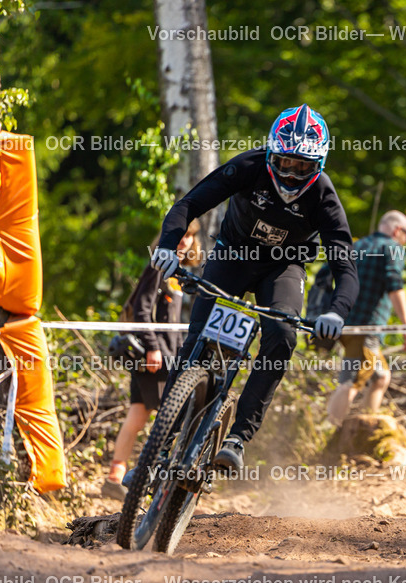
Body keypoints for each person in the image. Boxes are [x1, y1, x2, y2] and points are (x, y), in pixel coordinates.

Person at [150, 104, 358, 473]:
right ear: (269, 153)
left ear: (319, 165)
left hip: (282, 268)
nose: (292, 174)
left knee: (281, 335)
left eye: (304, 166)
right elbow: (190, 204)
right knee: (196, 341)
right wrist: (168, 245)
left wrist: (336, 312)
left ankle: (237, 437)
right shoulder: (248, 167)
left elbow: (345, 263)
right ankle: (155, 450)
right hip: (232, 256)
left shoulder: (324, 197)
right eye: (285, 162)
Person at [102, 221, 201, 500]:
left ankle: (115, 477)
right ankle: (148, 476)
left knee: (138, 412)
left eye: (190, 237)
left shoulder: (180, 275)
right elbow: (141, 312)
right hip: (153, 357)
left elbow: (176, 323)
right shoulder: (158, 266)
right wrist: (153, 348)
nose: (184, 242)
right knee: (167, 419)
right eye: (180, 236)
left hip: (168, 356)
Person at [327, 210, 406, 426]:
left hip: (344, 324)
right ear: (397, 230)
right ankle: (330, 432)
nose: (405, 241)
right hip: (366, 328)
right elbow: (395, 286)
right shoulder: (392, 248)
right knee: (350, 382)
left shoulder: (357, 245)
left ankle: (365, 428)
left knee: (381, 377)